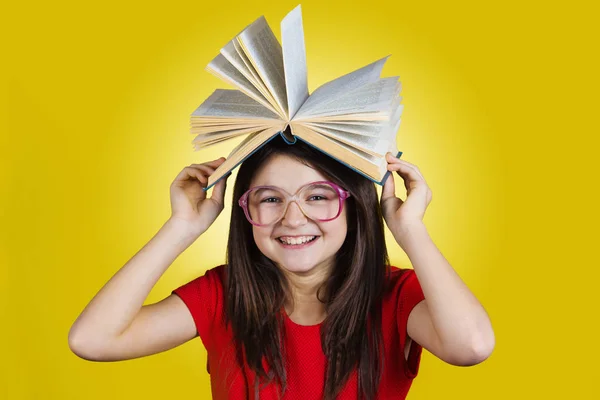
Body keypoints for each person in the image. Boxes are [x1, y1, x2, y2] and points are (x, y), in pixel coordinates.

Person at [68, 136, 495, 400]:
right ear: (245, 210)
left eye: (317, 196)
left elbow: (472, 347)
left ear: (354, 206)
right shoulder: (223, 295)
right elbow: (93, 340)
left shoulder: (396, 295)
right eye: (270, 198)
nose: (292, 219)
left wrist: (411, 230)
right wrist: (182, 226)